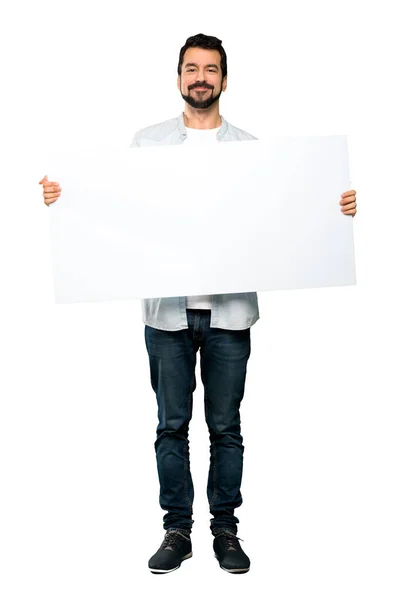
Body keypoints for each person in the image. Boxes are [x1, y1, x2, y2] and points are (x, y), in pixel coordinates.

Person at [39, 33, 358, 575]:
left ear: (225, 80)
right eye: (192, 69)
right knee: (171, 425)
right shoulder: (147, 143)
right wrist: (66, 198)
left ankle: (225, 530)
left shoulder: (254, 148)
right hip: (167, 313)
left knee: (226, 426)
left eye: (211, 69)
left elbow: (282, 216)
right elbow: (118, 209)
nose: (201, 78)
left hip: (229, 313)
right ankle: (177, 529)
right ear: (179, 78)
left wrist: (333, 208)